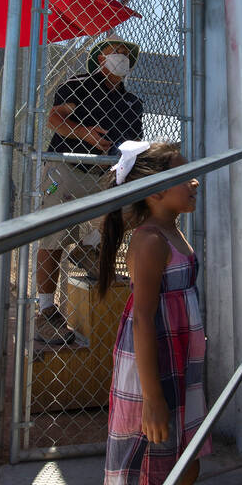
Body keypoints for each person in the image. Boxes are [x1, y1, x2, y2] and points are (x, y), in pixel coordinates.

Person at [98, 141, 210, 485]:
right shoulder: (150, 241)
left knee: (185, 461)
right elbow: (144, 318)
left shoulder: (172, 230)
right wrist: (152, 399)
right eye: (183, 175)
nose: (194, 181)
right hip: (154, 367)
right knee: (153, 466)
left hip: (176, 359)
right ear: (153, 191)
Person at [35, 35, 144, 345]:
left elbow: (133, 142)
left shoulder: (132, 102)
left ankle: (89, 247)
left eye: (126, 53)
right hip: (64, 169)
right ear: (100, 59)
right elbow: (55, 119)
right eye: (116, 52)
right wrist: (85, 134)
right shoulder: (79, 84)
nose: (122, 56)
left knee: (127, 211)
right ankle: (46, 311)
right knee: (52, 233)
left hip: (104, 174)